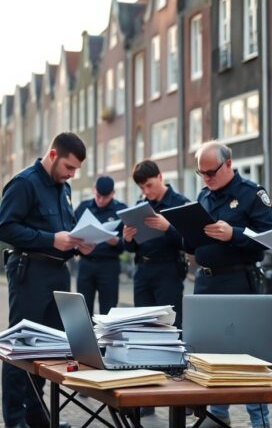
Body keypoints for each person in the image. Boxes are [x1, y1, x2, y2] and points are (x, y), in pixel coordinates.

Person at [0, 132, 94, 428]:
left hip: (59, 274)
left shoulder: (64, 188)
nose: (72, 174)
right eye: (68, 167)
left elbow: (67, 232)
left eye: (76, 169)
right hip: (30, 274)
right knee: (21, 346)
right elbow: (4, 228)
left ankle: (37, 418)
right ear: (53, 155)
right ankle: (15, 421)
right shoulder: (24, 183)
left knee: (50, 349)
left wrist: (80, 244)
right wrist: (51, 239)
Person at [186, 141, 272, 428]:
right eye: (201, 173)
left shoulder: (251, 193)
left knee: (247, 353)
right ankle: (216, 416)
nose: (206, 178)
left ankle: (259, 421)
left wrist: (234, 234)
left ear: (228, 164)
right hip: (205, 281)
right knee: (208, 350)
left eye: (211, 172)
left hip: (238, 281)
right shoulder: (202, 196)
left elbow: (271, 236)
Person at [122, 160, 188, 418]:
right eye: (142, 188)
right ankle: (146, 398)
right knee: (142, 332)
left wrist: (168, 228)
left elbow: (190, 241)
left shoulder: (179, 203)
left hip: (168, 271)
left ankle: (178, 398)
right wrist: (127, 239)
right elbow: (130, 247)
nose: (146, 192)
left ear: (160, 177)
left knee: (171, 331)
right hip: (143, 271)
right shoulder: (141, 206)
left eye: (149, 185)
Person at [74, 175, 128, 316]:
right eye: (98, 196)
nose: (101, 200)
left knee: (109, 309)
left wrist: (116, 241)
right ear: (94, 189)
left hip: (109, 265)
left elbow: (129, 243)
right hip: (85, 264)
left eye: (105, 197)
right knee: (83, 309)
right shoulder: (83, 207)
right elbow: (71, 231)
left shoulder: (121, 210)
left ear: (113, 193)